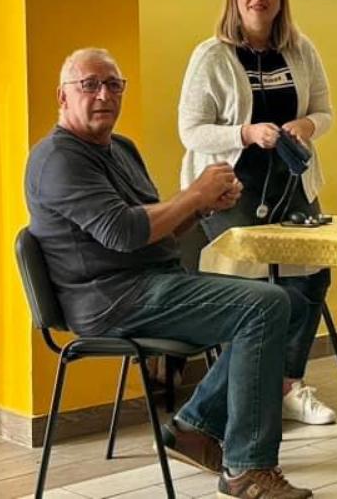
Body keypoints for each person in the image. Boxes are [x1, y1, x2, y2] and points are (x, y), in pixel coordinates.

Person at [25, 48, 312, 499]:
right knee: (265, 305)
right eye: (89, 85)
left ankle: (194, 428)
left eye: (114, 85)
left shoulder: (121, 148)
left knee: (291, 301)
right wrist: (194, 194)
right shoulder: (57, 159)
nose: (104, 95)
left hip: (153, 282)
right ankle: (247, 468)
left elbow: (155, 228)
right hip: (111, 300)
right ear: (62, 96)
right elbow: (123, 232)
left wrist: (201, 208)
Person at [178, 0, 337, 425]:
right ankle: (243, 393)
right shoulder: (212, 55)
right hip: (231, 190)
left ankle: (288, 385)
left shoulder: (301, 50)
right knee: (251, 292)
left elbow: (325, 111)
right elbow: (191, 130)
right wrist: (245, 134)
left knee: (310, 279)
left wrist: (307, 125)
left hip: (292, 184)